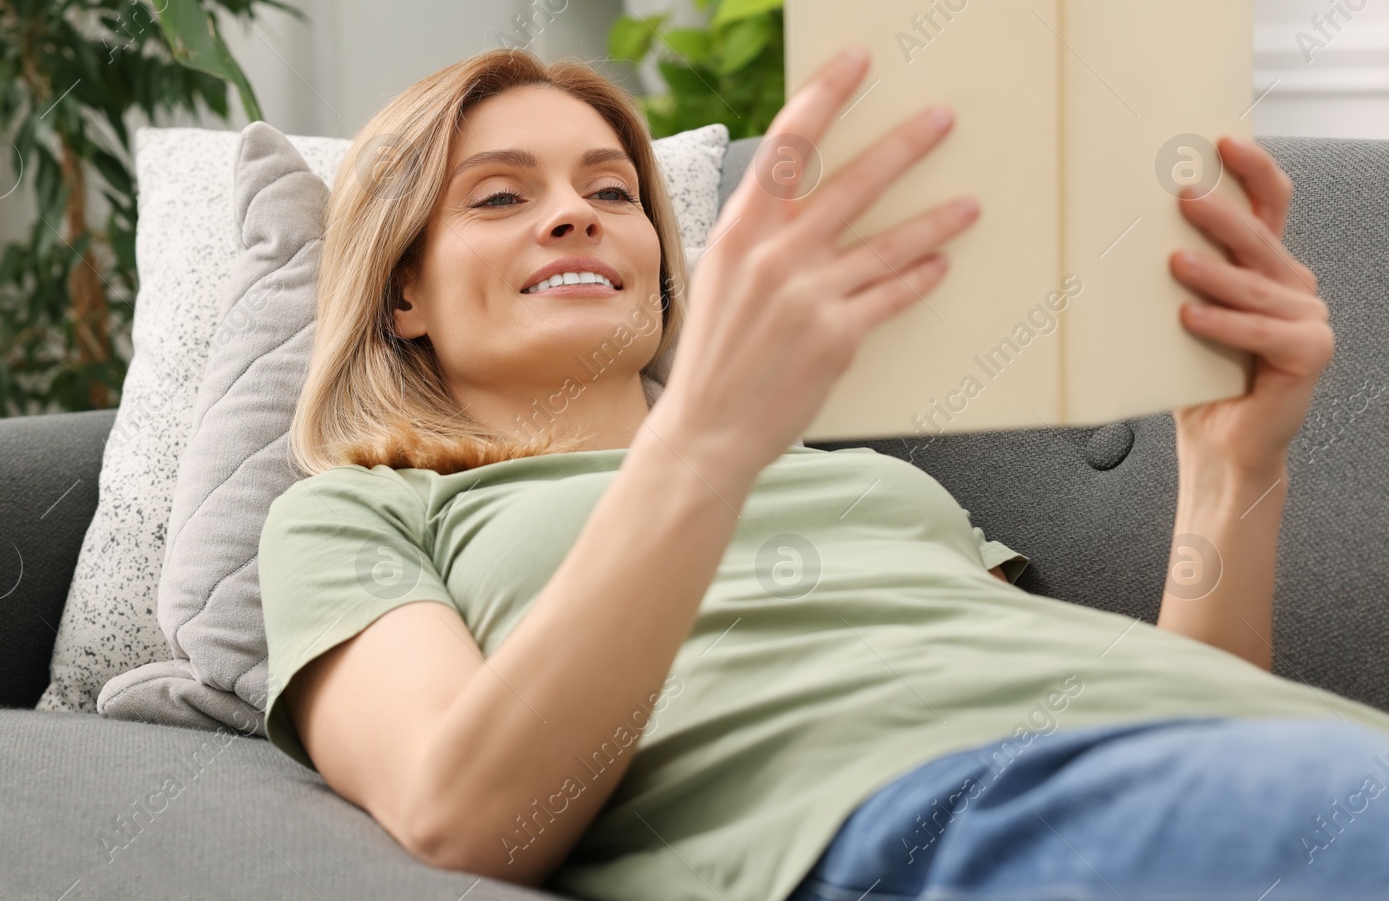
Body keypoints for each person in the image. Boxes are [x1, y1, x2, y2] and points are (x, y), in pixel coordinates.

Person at [257, 45, 1389, 901]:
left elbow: (1183, 696)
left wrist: (1232, 458)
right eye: (500, 196)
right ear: (401, 291)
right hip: (919, 809)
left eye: (612, 193)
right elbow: (463, 811)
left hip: (1252, 750)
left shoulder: (859, 483)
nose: (573, 215)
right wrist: (700, 438)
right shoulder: (362, 508)